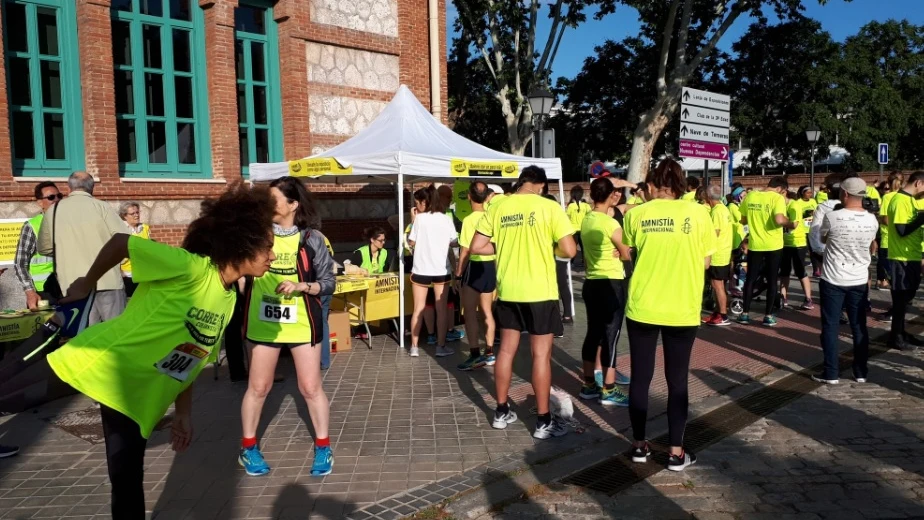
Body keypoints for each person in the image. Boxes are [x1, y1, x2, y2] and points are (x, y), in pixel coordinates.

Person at [0, 184, 277, 517]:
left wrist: (184, 415)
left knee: (127, 480)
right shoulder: (191, 267)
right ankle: (54, 326)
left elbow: (189, 359)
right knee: (6, 397)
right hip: (97, 362)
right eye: (268, 248)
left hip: (134, 398)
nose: (272, 257)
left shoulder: (229, 301)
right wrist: (86, 283)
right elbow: (121, 243)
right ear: (242, 244)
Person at [237, 177, 335, 478]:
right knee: (259, 387)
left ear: (293, 205)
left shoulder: (312, 239)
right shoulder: (256, 235)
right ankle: (248, 448)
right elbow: (237, 267)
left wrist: (301, 285)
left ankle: (323, 447)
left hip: (303, 324)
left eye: (274, 199)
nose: (268, 205)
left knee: (309, 387)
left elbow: (329, 283)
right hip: (263, 323)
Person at [470, 166, 576, 439]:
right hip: (540, 292)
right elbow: (569, 249)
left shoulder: (498, 207)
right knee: (541, 355)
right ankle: (543, 422)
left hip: (509, 292)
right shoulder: (548, 207)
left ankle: (501, 411)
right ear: (540, 185)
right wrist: (546, 245)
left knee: (505, 352)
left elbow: (477, 247)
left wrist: (504, 246)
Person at [623, 158, 715, 471]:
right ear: (679, 184)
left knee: (640, 377)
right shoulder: (700, 214)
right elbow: (705, 262)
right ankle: (676, 452)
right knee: (677, 381)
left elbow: (629, 251)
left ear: (651, 185)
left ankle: (638, 445)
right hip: (681, 307)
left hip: (643, 305)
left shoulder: (637, 214)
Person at [37, 172, 128, 325]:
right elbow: (125, 240)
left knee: (84, 339)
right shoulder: (102, 207)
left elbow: (44, 248)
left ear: (69, 188)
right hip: (107, 282)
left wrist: (67, 252)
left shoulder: (54, 210)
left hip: (73, 286)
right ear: (92, 188)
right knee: (116, 335)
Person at [814, 178, 879, 384]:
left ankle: (831, 372)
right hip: (859, 277)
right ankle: (860, 371)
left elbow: (823, 239)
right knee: (859, 326)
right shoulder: (872, 220)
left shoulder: (833, 216)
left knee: (831, 326)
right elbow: (872, 244)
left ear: (844, 193)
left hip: (833, 277)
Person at [577, 178, 632, 407]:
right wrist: (625, 252)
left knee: (593, 333)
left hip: (591, 283)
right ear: (610, 196)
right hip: (611, 283)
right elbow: (626, 252)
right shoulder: (610, 224)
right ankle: (608, 389)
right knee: (611, 335)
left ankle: (589, 384)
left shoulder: (587, 219)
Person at [408, 186, 458, 358]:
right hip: (441, 269)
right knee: (441, 309)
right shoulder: (446, 219)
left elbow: (411, 242)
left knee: (418, 308)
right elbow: (454, 242)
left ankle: (414, 347)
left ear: (424, 202)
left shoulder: (419, 220)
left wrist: (413, 220)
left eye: (417, 203)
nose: (416, 206)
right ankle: (440, 345)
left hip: (421, 268)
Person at [455, 182, 497, 371]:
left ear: (470, 197)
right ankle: (489, 352)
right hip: (491, 266)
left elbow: (464, 250)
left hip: (475, 265)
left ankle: (474, 355)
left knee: (470, 312)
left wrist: (458, 274)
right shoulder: (493, 216)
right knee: (487, 311)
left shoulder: (469, 220)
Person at [737, 176, 790, 326]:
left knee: (750, 279)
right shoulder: (777, 198)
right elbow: (780, 220)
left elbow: (743, 220)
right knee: (772, 280)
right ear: (780, 189)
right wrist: (791, 224)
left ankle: (745, 314)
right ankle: (768, 315)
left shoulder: (751, 195)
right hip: (774, 245)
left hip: (755, 244)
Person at [885, 171, 924, 351]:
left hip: (912, 256)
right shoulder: (900, 201)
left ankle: (900, 332)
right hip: (901, 258)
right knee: (901, 300)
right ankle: (896, 337)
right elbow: (901, 230)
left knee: (906, 298)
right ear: (918, 183)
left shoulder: (910, 200)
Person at [14, 181, 63, 311]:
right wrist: (30, 292)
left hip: (69, 289)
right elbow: (20, 263)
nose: (56, 200)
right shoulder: (32, 226)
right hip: (44, 292)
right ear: (40, 202)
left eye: (59, 196)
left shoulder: (69, 223)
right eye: (51, 197)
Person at [779, 186, 815, 310]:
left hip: (797, 243)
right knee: (784, 271)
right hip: (784, 243)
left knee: (800, 271)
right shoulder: (779, 205)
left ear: (785, 193)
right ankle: (783, 298)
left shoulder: (794, 205)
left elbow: (794, 224)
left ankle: (808, 299)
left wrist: (779, 221)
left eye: (779, 196)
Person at [703, 185, 733, 326]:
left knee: (717, 286)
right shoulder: (724, 209)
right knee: (718, 285)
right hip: (724, 252)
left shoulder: (716, 212)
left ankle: (723, 315)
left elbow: (714, 233)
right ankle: (717, 312)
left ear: (708, 198)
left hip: (717, 254)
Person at [118, 202, 151, 298]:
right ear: (124, 216)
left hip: (144, 272)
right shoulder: (120, 230)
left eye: (137, 212)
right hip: (128, 274)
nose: (136, 215)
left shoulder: (145, 228)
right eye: (133, 213)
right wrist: (120, 272)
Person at [876, 174, 903, 292]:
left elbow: (885, 219)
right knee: (900, 270)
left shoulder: (887, 198)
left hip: (887, 238)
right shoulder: (907, 197)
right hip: (902, 238)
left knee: (890, 270)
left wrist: (880, 219)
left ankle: (899, 299)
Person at [566, 185, 591, 268]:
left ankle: (571, 263)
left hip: (572, 230)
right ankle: (585, 263)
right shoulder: (586, 206)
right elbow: (590, 216)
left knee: (572, 247)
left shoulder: (570, 206)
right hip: (584, 230)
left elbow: (567, 217)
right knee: (584, 248)